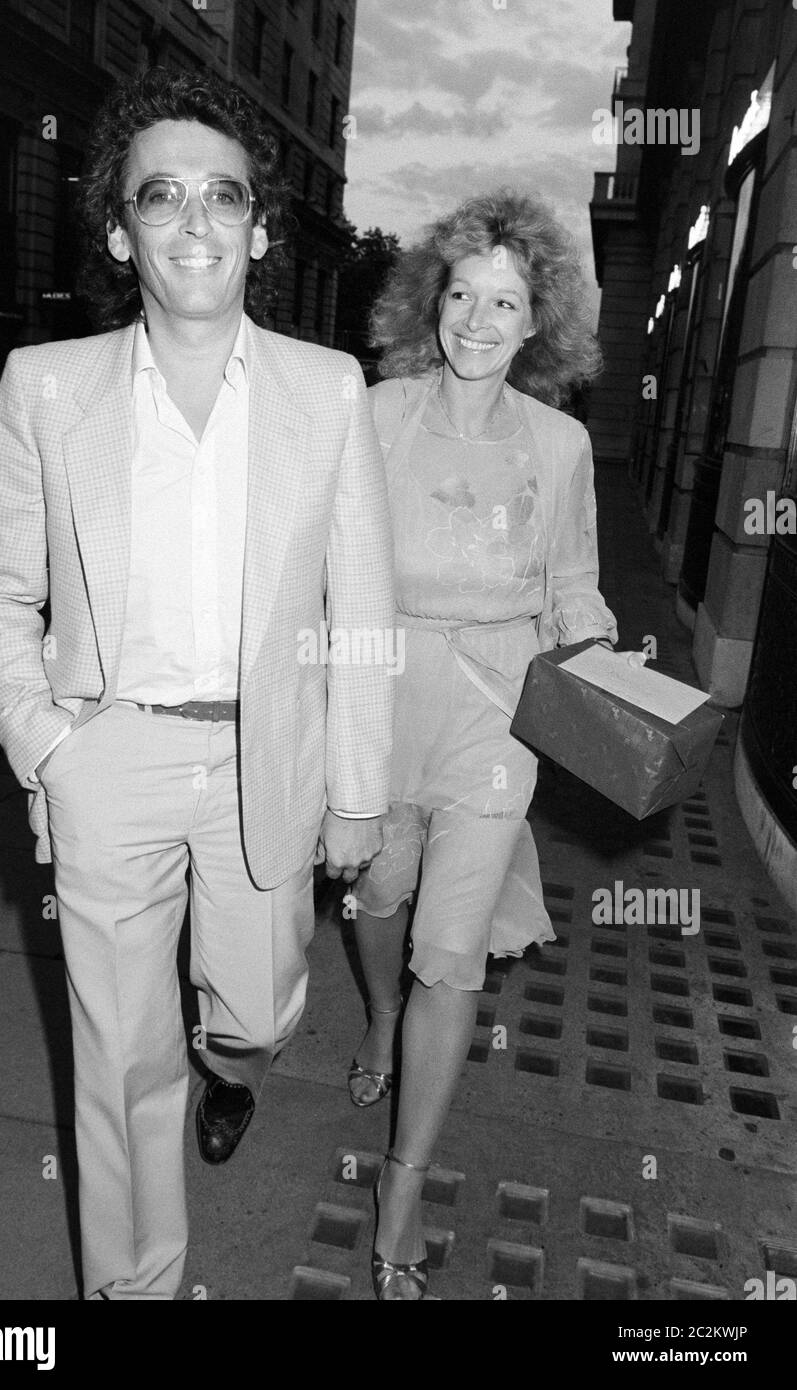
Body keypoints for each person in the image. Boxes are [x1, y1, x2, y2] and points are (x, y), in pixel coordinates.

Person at [0, 67, 394, 1300]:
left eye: (223, 197)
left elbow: (357, 608)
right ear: (118, 229)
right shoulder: (49, 386)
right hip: (112, 755)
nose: (195, 222)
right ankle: (134, 1286)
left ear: (259, 229)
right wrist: (47, 745)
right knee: (119, 1056)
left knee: (255, 1012)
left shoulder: (325, 389)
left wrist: (356, 789)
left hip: (269, 760)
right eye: (162, 196)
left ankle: (232, 1063)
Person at [346, 190, 622, 1300]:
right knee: (376, 895)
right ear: (433, 301)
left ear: (534, 323)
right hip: (375, 690)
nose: (476, 318)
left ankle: (400, 1190)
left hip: (496, 715)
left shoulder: (558, 447)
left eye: (503, 301)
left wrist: (603, 660)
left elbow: (572, 587)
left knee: (448, 952)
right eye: (461, 292)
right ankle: (374, 1014)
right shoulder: (372, 413)